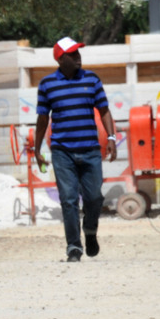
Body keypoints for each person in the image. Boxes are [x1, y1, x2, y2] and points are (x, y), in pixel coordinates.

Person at [33, 37, 119, 262]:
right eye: (73, 54)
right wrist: (37, 148)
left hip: (91, 149)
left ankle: (90, 232)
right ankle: (74, 247)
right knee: (68, 200)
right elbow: (42, 119)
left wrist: (111, 136)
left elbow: (104, 111)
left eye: (78, 53)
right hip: (62, 152)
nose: (78, 57)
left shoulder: (91, 79)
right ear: (61, 59)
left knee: (94, 198)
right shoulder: (47, 84)